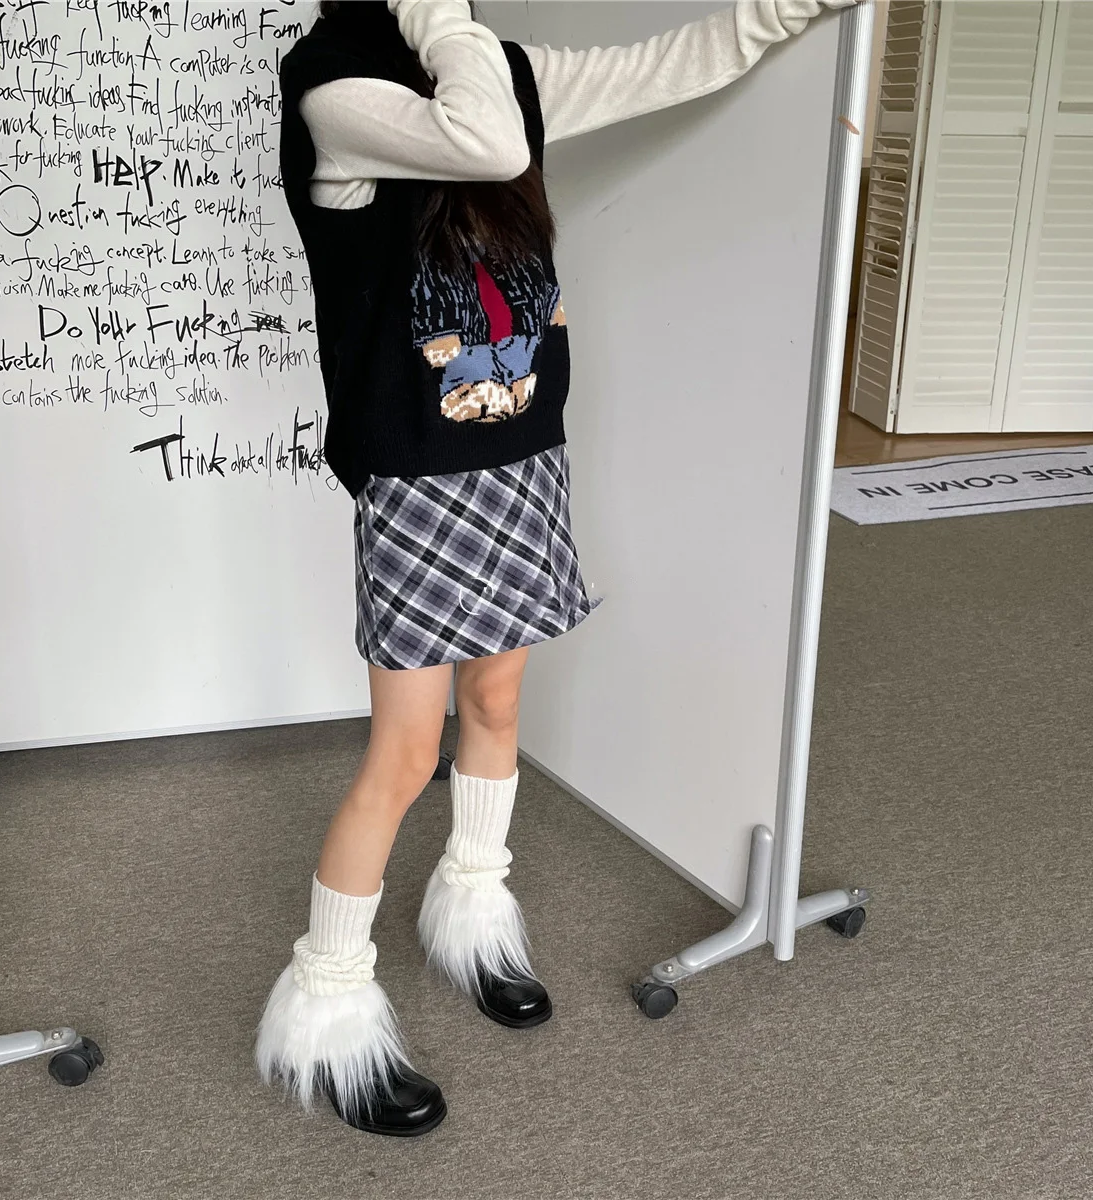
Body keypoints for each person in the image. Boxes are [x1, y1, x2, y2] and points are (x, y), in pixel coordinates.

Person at [257, 0, 857, 1138]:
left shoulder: (496, 74)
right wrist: (445, 22)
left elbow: (683, 59)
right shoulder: (337, 90)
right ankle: (324, 1010)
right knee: (404, 753)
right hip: (419, 478)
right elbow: (488, 143)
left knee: (498, 703)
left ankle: (473, 914)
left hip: (524, 454)